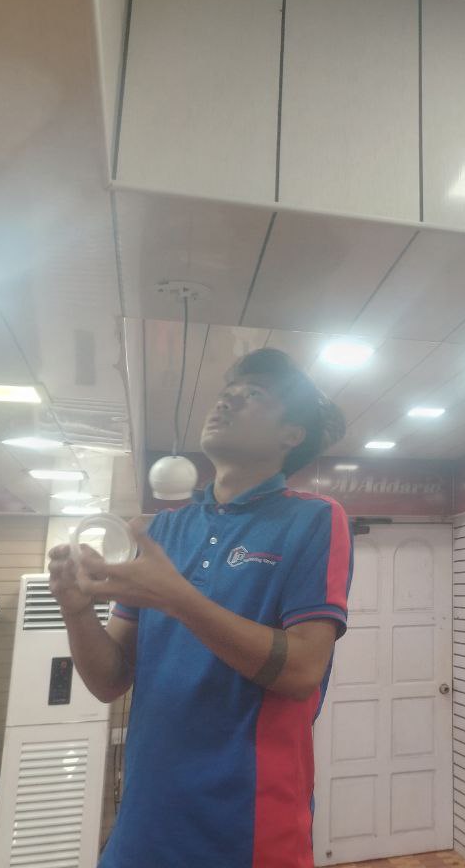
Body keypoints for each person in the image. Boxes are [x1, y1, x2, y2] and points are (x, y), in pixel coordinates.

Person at [48, 347, 352, 868]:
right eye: (227, 392)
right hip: (144, 821)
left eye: (253, 394)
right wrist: (76, 610)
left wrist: (178, 599)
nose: (228, 400)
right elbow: (109, 680)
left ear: (291, 435)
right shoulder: (164, 530)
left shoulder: (316, 519)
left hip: (249, 826)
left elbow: (303, 669)